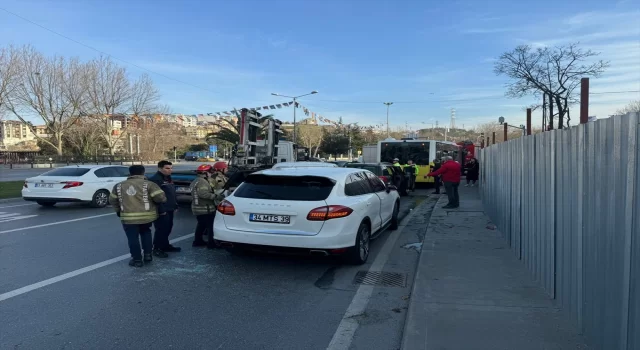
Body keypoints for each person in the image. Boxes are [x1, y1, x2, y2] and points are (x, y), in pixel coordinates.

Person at [109, 165, 167, 267]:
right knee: (146, 234)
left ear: (130, 173)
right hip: (147, 217)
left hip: (128, 218)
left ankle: (137, 260)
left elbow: (112, 200)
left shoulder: (119, 186)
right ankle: (148, 256)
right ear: (143, 172)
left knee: (132, 238)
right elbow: (161, 198)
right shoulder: (149, 184)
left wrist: (118, 211)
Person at [148, 160, 180, 258]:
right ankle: (157, 248)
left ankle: (165, 245)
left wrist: (175, 205)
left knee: (168, 228)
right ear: (160, 168)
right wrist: (161, 210)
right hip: (162, 209)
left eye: (171, 168)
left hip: (170, 208)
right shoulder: (156, 179)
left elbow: (171, 193)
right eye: (167, 168)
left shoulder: (168, 178)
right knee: (161, 229)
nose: (170, 170)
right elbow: (155, 197)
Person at [190, 164, 224, 249]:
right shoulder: (202, 181)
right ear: (205, 173)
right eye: (210, 172)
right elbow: (203, 194)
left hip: (198, 208)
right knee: (210, 226)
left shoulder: (196, 180)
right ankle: (211, 244)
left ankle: (197, 241)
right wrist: (216, 196)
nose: (211, 174)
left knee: (201, 225)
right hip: (205, 208)